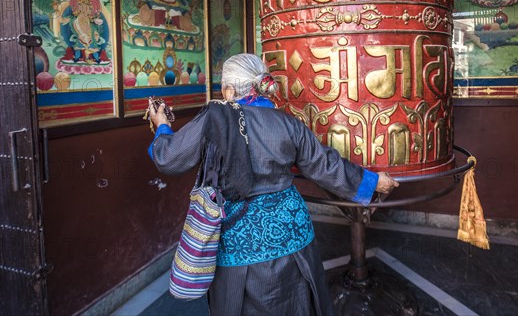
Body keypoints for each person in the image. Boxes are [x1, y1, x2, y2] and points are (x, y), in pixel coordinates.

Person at [147, 53, 398, 316]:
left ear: (230, 89)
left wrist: (162, 125)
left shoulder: (216, 117)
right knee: (298, 302)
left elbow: (169, 158)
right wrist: (373, 182)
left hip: (241, 240)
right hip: (292, 234)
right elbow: (324, 165)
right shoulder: (288, 122)